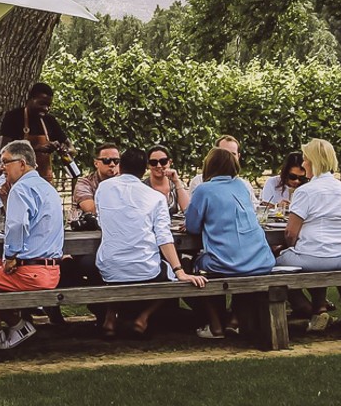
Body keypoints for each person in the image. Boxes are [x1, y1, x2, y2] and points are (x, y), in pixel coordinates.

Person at [0, 140, 66, 351]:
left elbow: (17, 225)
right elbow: (28, 222)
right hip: (50, 269)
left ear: (22, 164)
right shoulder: (47, 187)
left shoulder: (21, 188)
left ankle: (14, 327)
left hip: (29, 272)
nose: (1, 168)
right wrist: (7, 200)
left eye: (5, 162)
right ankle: (0, 329)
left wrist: (10, 256)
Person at [95, 147, 205, 338]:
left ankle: (110, 317)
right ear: (144, 169)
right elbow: (164, 237)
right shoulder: (155, 197)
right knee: (169, 274)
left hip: (109, 266)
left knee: (115, 272)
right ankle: (143, 317)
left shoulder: (103, 189)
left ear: (121, 166)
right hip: (145, 268)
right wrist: (179, 270)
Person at [185, 146, 274, 337]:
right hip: (260, 260)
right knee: (238, 267)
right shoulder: (241, 186)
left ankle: (215, 324)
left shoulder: (204, 190)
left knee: (190, 264)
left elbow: (192, 226)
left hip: (226, 262)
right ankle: (234, 319)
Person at [274, 139, 341, 332]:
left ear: (313, 161)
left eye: (305, 159)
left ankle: (303, 306)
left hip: (316, 257)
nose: (303, 164)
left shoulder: (305, 191)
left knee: (271, 262)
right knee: (315, 253)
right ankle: (321, 308)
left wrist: (289, 247)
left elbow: (290, 232)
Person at [0, 83, 72, 182]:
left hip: (44, 180)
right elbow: (3, 149)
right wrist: (37, 148)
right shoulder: (13, 117)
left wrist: (64, 150)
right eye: (42, 104)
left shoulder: (49, 120)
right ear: (30, 99)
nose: (46, 108)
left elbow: (71, 148)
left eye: (48, 105)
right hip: (19, 179)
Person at [71, 143, 121, 218]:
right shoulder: (85, 183)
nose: (112, 164)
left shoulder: (124, 182)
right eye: (107, 160)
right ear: (96, 163)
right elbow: (91, 210)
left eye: (116, 161)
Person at [143, 144, 191, 214]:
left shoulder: (176, 185)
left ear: (169, 162)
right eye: (153, 162)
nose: (158, 166)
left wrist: (177, 182)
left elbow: (188, 210)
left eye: (163, 162)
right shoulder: (142, 187)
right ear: (148, 165)